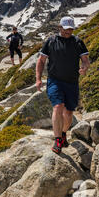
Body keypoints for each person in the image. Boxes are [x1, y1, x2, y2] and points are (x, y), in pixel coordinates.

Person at [35, 16, 90, 154]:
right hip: (55, 80)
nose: (68, 32)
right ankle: (58, 139)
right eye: (65, 29)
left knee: (69, 112)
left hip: (72, 82)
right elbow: (41, 61)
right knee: (58, 106)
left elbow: (85, 60)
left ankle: (64, 133)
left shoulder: (77, 42)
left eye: (70, 29)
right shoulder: (51, 41)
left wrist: (84, 67)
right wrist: (38, 78)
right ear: (60, 27)